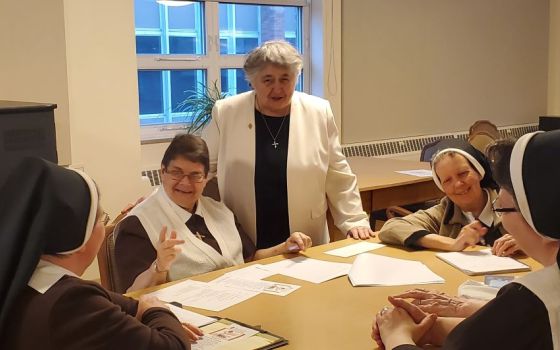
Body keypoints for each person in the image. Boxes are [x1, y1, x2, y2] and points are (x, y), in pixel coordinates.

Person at [373, 131, 560, 350]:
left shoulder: (535, 300)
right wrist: (458, 315)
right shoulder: (532, 305)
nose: (458, 185)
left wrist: (397, 336)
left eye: (504, 207)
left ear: (538, 216)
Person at [0, 157, 198, 349]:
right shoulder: (70, 302)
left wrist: (147, 313)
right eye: (101, 219)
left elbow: (118, 303)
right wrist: (158, 310)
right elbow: (174, 346)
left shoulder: (22, 276)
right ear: (80, 235)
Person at [203, 40, 372, 249]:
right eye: (268, 80)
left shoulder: (318, 111)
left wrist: (353, 220)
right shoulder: (227, 112)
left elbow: (337, 173)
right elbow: (201, 170)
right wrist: (165, 206)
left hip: (305, 232)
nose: (278, 88)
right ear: (252, 81)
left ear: (296, 78)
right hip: (245, 232)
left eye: (285, 79)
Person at [115, 134, 312, 292]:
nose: (185, 182)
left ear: (206, 178)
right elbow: (133, 294)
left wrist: (286, 247)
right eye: (176, 173)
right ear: (162, 172)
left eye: (195, 175)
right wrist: (159, 267)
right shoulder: (138, 223)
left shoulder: (219, 210)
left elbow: (250, 259)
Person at [379, 141, 519, 255]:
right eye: (447, 181)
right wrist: (452, 243)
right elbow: (391, 228)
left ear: (479, 172)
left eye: (463, 173)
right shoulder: (445, 212)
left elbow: (540, 236)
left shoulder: (512, 204)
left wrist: (524, 241)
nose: (457, 184)